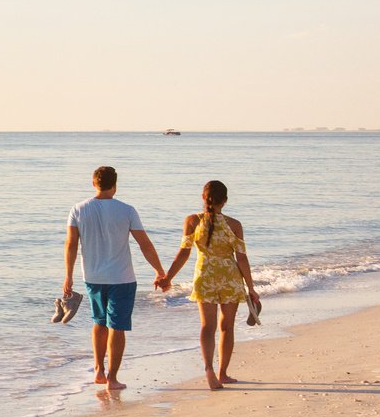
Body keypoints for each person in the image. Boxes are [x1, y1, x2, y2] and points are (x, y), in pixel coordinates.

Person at [60, 165, 165, 390]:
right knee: (117, 326)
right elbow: (144, 244)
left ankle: (98, 370)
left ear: (93, 183)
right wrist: (159, 271)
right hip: (122, 277)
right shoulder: (127, 210)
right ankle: (113, 378)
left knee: (99, 322)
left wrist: (68, 276)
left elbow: (71, 245)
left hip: (93, 276)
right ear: (115, 185)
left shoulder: (78, 209)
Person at [157, 179, 261, 390]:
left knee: (207, 326)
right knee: (227, 327)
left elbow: (184, 253)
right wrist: (251, 288)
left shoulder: (192, 221)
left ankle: (209, 370)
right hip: (230, 279)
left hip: (204, 277)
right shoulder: (234, 225)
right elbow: (241, 258)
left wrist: (168, 277)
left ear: (203, 198)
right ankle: (223, 373)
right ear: (225, 201)